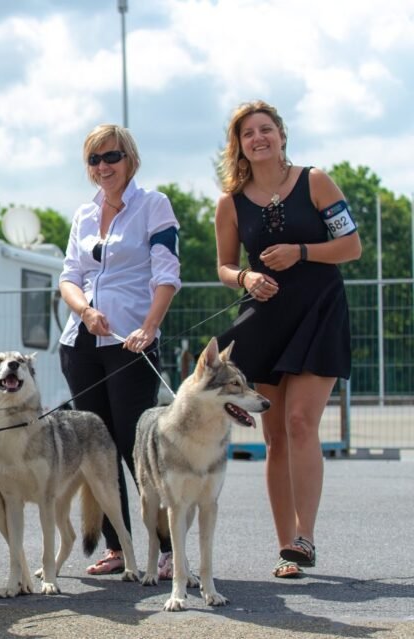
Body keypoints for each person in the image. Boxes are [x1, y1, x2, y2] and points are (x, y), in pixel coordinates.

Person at [214, 100, 361, 579]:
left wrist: (300, 251)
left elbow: (352, 247)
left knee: (301, 422)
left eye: (266, 129)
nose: (258, 138)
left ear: (281, 134)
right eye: (247, 134)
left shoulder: (315, 181)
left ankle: (306, 536)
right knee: (275, 436)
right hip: (265, 319)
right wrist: (246, 280)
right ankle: (286, 548)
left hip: (320, 313)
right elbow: (224, 266)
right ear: (238, 146)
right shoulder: (229, 202)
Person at [58, 124, 181, 577]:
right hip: (81, 343)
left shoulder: (153, 205)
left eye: (111, 157)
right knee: (96, 449)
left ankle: (168, 548)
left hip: (132, 343)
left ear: (129, 158)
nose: (103, 166)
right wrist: (86, 312)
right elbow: (69, 277)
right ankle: (119, 547)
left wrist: (150, 328)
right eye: (94, 159)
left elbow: (167, 273)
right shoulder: (83, 215)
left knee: (136, 447)